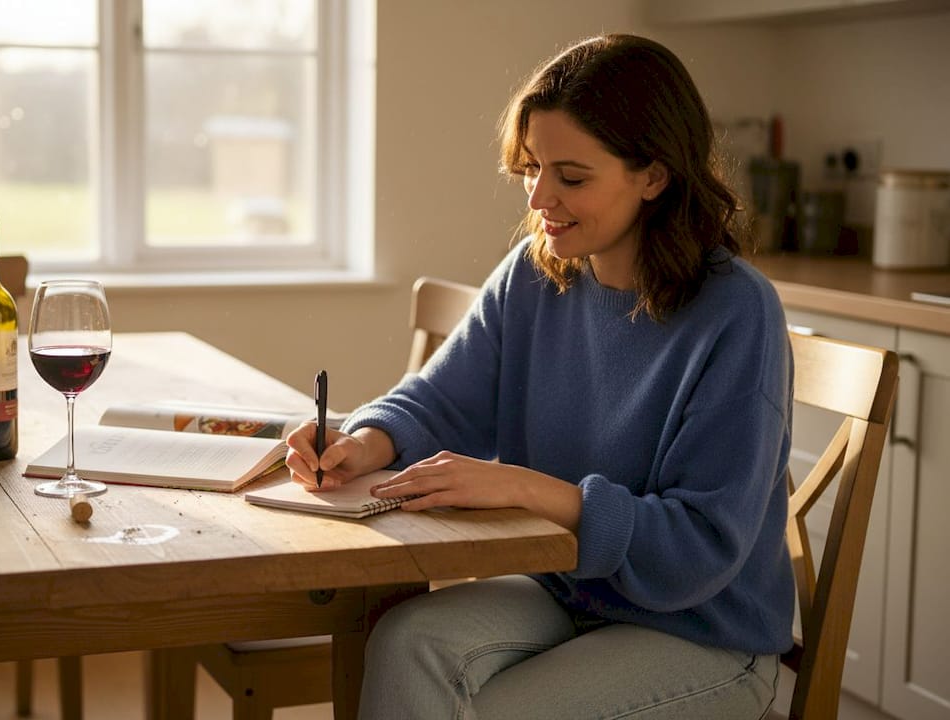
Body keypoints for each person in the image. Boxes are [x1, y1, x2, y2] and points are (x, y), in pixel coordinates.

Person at [283, 34, 793, 719]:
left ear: (654, 175)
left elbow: (697, 552)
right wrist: (363, 442)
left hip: (704, 635)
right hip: (568, 593)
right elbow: (438, 398)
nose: (540, 196)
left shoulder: (736, 312)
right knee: (405, 641)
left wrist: (525, 487)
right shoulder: (533, 273)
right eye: (532, 167)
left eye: (571, 176)